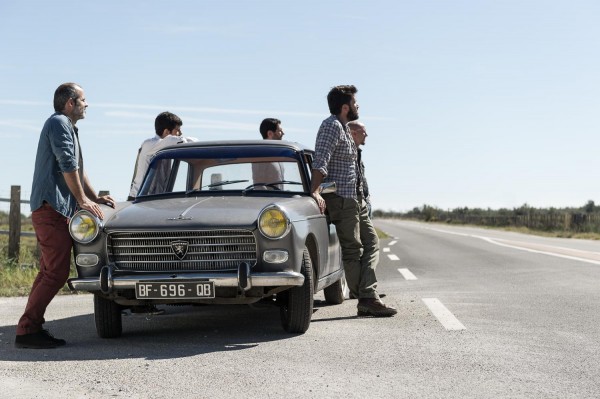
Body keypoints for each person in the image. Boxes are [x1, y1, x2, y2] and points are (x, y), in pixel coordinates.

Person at [15, 83, 115, 349]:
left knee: (49, 271)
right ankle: (26, 330)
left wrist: (93, 197)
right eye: (83, 100)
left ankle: (30, 327)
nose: (87, 104)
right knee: (55, 273)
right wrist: (81, 200)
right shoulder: (59, 123)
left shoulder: (66, 126)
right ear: (70, 102)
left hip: (53, 209)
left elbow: (78, 169)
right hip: (52, 209)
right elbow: (67, 163)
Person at [310, 85, 396, 317]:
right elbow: (320, 161)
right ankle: (367, 298)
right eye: (356, 104)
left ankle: (366, 292)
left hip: (355, 198)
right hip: (341, 199)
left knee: (372, 242)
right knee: (353, 249)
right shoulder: (331, 126)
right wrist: (315, 191)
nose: (358, 107)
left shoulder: (344, 128)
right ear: (345, 107)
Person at [128, 111, 196, 200]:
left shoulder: (166, 146)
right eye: (177, 130)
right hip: (138, 199)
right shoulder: (150, 144)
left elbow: (194, 141)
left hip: (156, 199)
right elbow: (183, 141)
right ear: (167, 132)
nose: (180, 133)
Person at [347, 121, 372, 218]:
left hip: (364, 202)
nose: (366, 135)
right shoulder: (347, 154)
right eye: (363, 132)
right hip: (354, 203)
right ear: (354, 133)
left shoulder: (358, 153)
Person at [252, 118, 285, 189]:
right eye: (280, 131)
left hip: (280, 199)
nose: (283, 133)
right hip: (269, 199)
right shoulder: (261, 156)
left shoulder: (276, 156)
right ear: (270, 133)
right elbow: (259, 186)